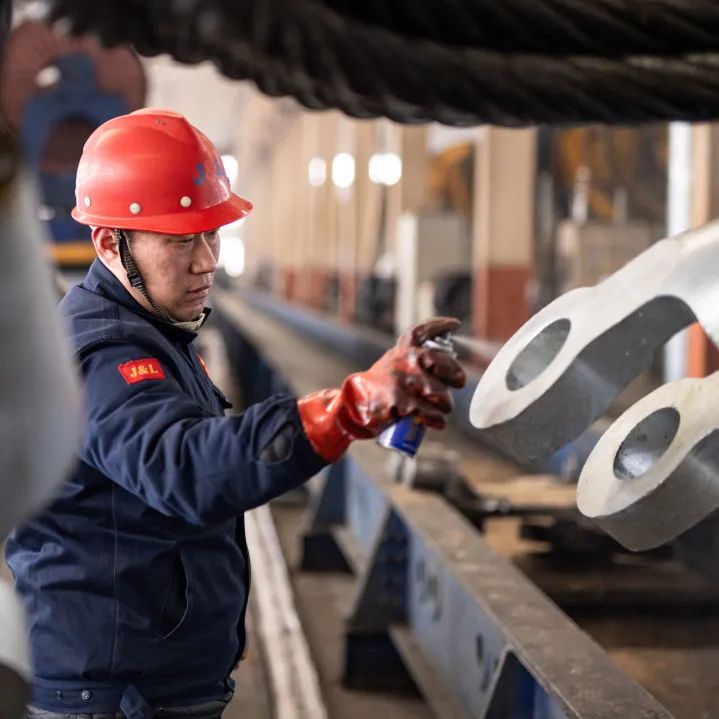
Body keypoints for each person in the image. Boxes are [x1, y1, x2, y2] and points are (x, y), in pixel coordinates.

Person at [5, 108, 466, 719]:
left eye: (212, 234)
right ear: (110, 243)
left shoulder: (153, 328)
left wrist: (215, 624)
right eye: (180, 240)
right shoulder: (106, 353)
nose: (206, 261)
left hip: (142, 674)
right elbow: (188, 468)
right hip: (114, 695)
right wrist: (349, 408)